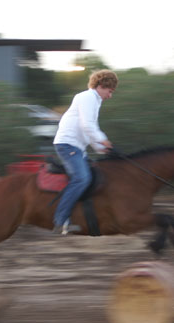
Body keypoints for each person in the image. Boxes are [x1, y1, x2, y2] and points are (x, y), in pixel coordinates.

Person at [52, 69, 117, 234]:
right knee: (82, 178)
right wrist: (103, 140)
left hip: (77, 147)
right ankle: (60, 221)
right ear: (101, 86)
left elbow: (88, 130)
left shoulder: (95, 101)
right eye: (110, 91)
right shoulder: (87, 97)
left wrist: (102, 148)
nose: (110, 95)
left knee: (98, 174)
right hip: (67, 145)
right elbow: (87, 125)